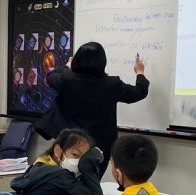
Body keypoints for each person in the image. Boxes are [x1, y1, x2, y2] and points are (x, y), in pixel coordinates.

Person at [43, 42, 149, 172]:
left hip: (70, 145)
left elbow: (50, 76)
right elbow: (139, 92)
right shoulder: (112, 85)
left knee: (65, 178)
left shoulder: (66, 79)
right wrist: (140, 72)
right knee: (92, 180)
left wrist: (67, 66)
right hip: (100, 147)